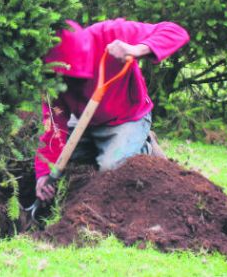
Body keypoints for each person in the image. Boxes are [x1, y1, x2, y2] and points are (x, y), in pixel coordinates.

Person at [35, 18, 190, 202]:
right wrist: (44, 173)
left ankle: (143, 145)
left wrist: (137, 49)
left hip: (127, 117)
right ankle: (109, 146)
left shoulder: (110, 34)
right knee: (57, 159)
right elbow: (53, 124)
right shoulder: (53, 74)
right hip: (85, 120)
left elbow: (175, 31)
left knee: (111, 169)